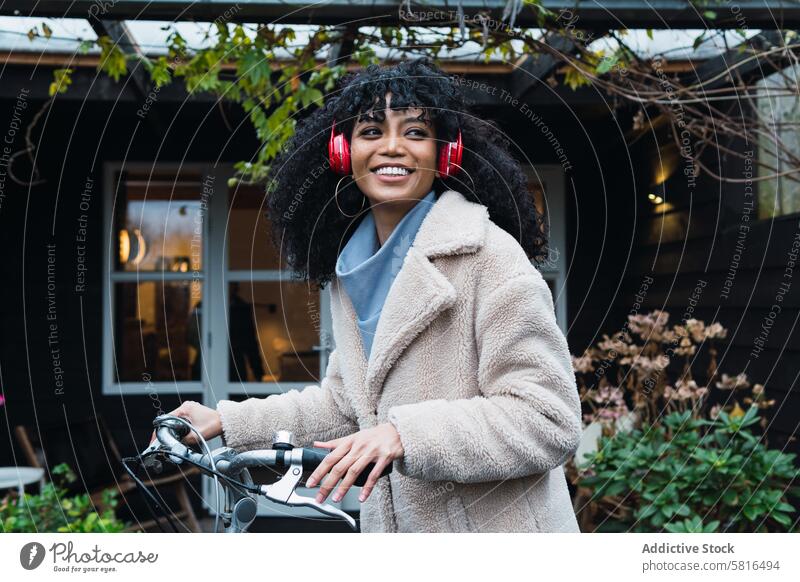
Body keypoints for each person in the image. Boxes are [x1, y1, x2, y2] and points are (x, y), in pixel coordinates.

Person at [152, 58, 583, 532]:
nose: (392, 147)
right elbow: (343, 407)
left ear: (446, 153)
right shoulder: (351, 269)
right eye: (372, 131)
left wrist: (404, 435)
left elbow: (548, 418)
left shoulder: (491, 258)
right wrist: (224, 421)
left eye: (416, 132)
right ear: (343, 151)